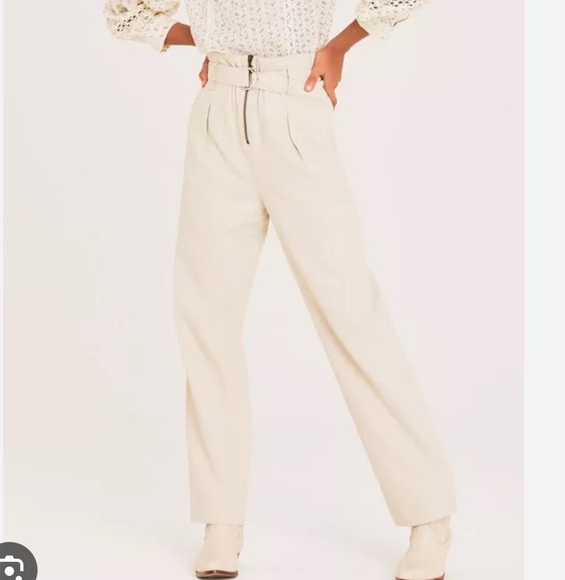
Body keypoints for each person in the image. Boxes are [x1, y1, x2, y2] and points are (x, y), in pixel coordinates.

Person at [103, 2, 456, 579]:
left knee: (350, 314)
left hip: (296, 97)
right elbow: (126, 11)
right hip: (217, 108)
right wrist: (209, 39)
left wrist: (339, 45)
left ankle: (429, 515)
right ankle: (220, 522)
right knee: (205, 320)